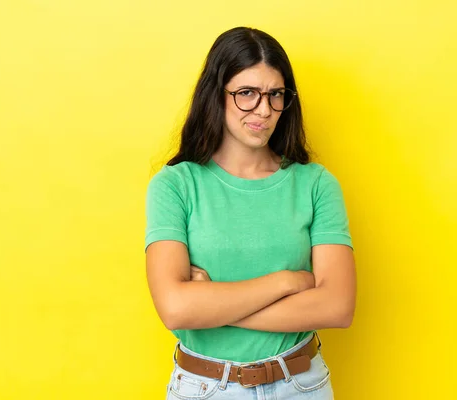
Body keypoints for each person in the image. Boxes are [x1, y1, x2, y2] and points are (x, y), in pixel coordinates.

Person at [145, 26, 356, 399]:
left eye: (276, 95)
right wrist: (287, 283)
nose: (264, 109)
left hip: (301, 386)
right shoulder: (176, 184)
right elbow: (176, 309)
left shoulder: (315, 184)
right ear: (216, 94)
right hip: (206, 388)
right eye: (247, 93)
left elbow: (337, 307)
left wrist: (212, 303)